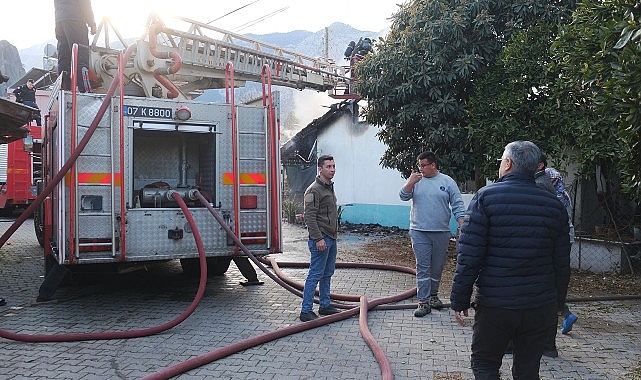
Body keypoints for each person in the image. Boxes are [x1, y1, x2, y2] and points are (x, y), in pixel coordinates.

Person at [451, 141, 571, 379]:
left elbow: (469, 255)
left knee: (485, 365)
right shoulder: (554, 206)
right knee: (528, 371)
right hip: (539, 306)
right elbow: (562, 263)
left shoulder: (485, 198)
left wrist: (459, 299)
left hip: (496, 304)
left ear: (507, 164)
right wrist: (557, 303)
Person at [399, 151, 465, 317]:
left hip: (441, 232)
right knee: (423, 267)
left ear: (433, 165)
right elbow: (403, 196)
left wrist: (462, 225)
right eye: (419, 166)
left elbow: (457, 204)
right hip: (419, 231)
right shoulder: (416, 181)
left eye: (423, 165)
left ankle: (433, 296)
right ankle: (423, 302)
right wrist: (409, 183)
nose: (420, 169)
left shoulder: (447, 181)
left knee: (437, 267)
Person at [536, 156, 578, 358]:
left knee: (550, 284)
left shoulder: (547, 181)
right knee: (554, 282)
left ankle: (563, 312)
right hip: (562, 238)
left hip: (555, 240)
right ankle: (565, 312)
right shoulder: (557, 191)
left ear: (540, 166)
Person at [299, 155, 341, 322]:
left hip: (331, 237)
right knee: (315, 274)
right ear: (320, 168)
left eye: (333, 166)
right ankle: (305, 310)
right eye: (328, 167)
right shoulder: (314, 190)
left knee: (327, 273)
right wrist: (318, 239)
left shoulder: (328, 187)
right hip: (321, 238)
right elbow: (309, 217)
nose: (332, 169)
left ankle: (325, 305)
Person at [54, 0, 96, 92]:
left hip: (60, 21)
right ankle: (85, 91)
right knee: (81, 55)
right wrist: (92, 23)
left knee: (64, 58)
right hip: (75, 19)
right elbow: (85, 3)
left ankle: (63, 90)